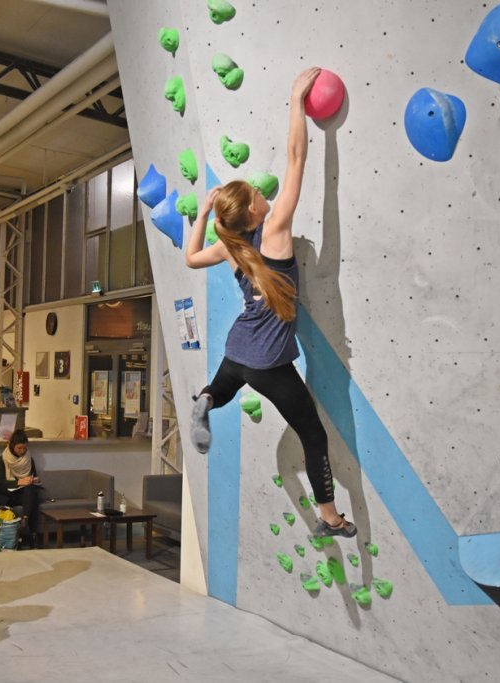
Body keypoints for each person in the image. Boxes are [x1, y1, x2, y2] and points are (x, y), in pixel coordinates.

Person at [184, 67, 357, 539]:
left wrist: (201, 213)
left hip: (238, 353)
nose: (266, 195)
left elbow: (190, 257)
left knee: (224, 385)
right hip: (266, 361)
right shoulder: (274, 235)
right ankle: (329, 519)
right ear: (256, 212)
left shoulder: (232, 246)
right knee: (314, 435)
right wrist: (296, 101)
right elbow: (297, 158)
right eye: (260, 195)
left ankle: (206, 398)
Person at [0, 429, 41, 548]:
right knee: (30, 497)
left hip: (22, 494)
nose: (22, 451)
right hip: (6, 494)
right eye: (19, 448)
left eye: (24, 448)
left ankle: (25, 519)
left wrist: (34, 480)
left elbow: (33, 475)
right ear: (13, 446)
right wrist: (18, 482)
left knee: (31, 490)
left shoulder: (29, 459)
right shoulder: (3, 459)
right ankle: (28, 531)